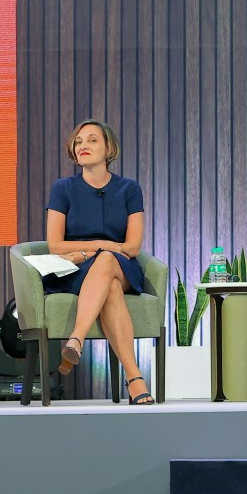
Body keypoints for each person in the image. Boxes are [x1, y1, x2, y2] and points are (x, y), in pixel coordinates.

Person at [44, 119, 155, 405]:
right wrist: (102, 245)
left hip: (122, 264)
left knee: (108, 261)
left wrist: (106, 250)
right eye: (79, 142)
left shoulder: (129, 189)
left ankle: (75, 339)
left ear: (109, 148)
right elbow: (55, 244)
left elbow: (132, 246)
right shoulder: (63, 188)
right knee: (111, 288)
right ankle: (135, 380)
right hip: (79, 268)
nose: (83, 146)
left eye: (92, 140)